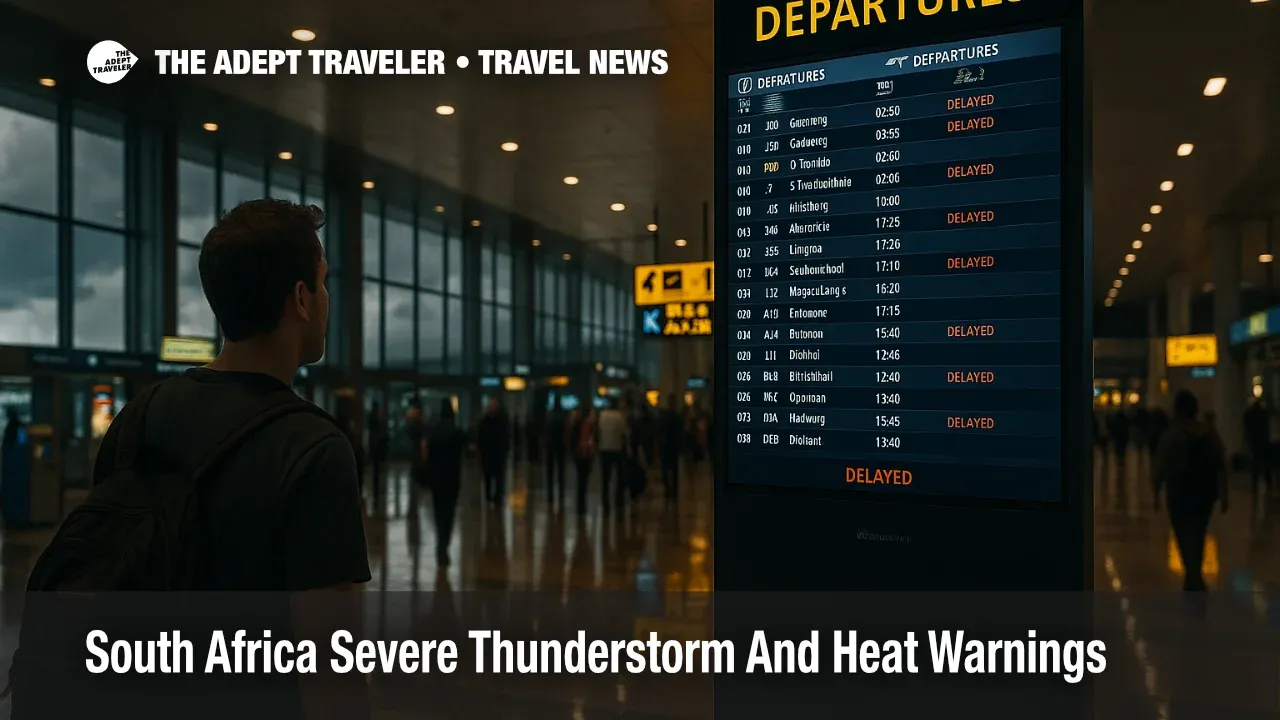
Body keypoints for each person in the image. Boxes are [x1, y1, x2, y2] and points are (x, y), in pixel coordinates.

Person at [71, 200, 369, 717]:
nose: (326, 298)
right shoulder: (313, 449)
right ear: (300, 299)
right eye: (322, 283)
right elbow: (330, 676)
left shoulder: (139, 416)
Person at [1154, 390, 1228, 592]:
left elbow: (1161, 464)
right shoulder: (1208, 432)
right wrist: (1224, 494)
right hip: (1204, 492)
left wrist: (1155, 491)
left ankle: (1192, 573)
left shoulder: (1172, 434)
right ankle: (1194, 574)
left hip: (1178, 491)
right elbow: (1221, 462)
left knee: (1183, 533)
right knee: (1198, 532)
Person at [425, 399, 467, 566]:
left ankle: (440, 545)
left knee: (438, 513)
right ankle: (444, 547)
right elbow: (468, 450)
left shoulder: (434, 433)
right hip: (453, 479)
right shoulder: (457, 433)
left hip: (436, 479)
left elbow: (427, 454)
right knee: (449, 515)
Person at [597, 398, 629, 511]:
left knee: (605, 478)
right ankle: (618, 501)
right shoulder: (620, 416)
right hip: (617, 449)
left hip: (604, 448)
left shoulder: (602, 415)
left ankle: (605, 501)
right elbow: (624, 434)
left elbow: (598, 432)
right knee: (619, 477)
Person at [477, 398, 510, 505]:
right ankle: (488, 496)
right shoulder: (484, 422)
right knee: (487, 477)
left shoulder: (501, 421)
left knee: (498, 476)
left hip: (498, 453)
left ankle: (498, 496)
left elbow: (506, 437)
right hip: (487, 453)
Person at [569, 406, 598, 513]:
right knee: (584, 478)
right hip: (586, 454)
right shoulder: (590, 426)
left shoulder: (576, 425)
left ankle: (580, 501)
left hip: (579, 454)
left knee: (581, 477)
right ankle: (582, 501)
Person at [1245, 398, 1271, 499]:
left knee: (1256, 464)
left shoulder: (1249, 415)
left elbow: (1248, 430)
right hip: (1263, 442)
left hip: (1255, 442)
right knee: (1266, 464)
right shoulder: (1263, 414)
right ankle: (1268, 484)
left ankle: (1255, 484)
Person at [660, 394, 684, 503]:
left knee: (666, 469)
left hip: (667, 445)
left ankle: (668, 490)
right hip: (673, 446)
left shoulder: (665, 417)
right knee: (674, 470)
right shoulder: (678, 417)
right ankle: (673, 491)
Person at [545, 399, 568, 506]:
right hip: (561, 448)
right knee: (561, 472)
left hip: (550, 447)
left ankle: (550, 493)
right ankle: (561, 493)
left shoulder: (550, 417)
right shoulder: (563, 418)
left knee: (550, 472)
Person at [367, 400, 388, 512]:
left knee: (377, 472)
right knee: (377, 472)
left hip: (377, 450)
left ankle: (377, 492)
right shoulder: (376, 422)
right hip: (377, 450)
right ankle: (377, 492)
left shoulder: (373, 422)